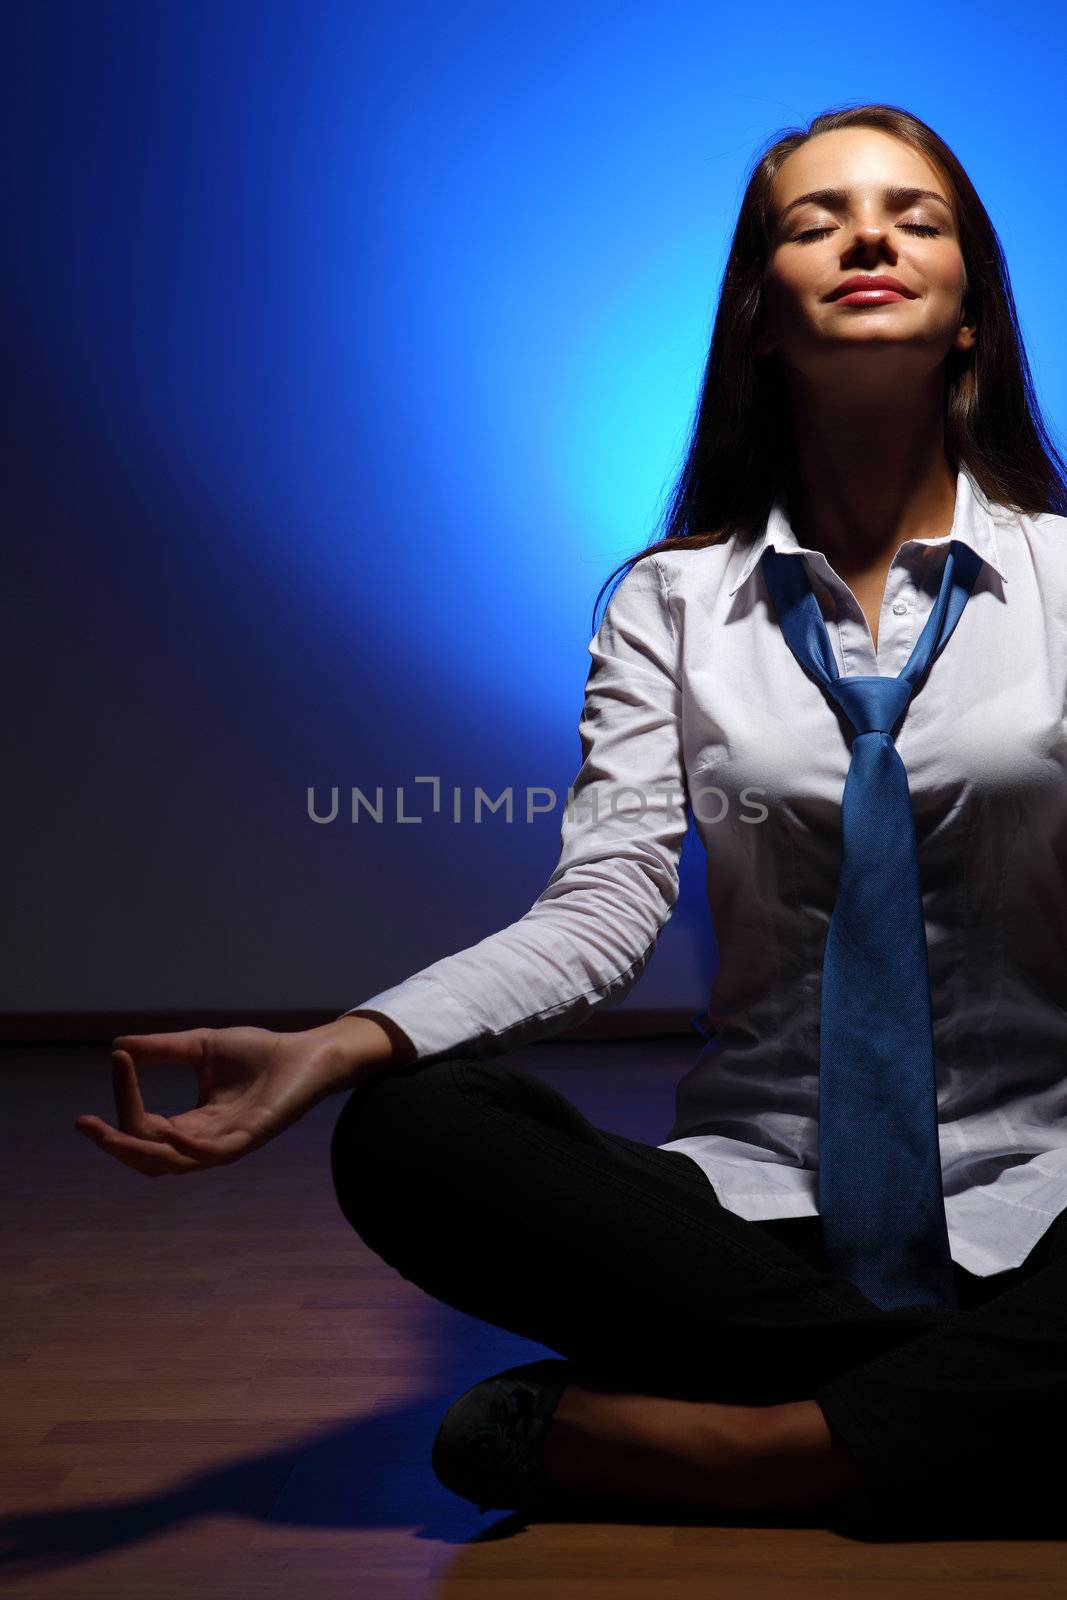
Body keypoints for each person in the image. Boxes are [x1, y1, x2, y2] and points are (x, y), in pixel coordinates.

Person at [76, 103, 1067, 1539]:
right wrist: (344, 1041)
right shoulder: (667, 603)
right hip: (756, 1218)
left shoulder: (1061, 583)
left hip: (1042, 1193)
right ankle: (959, 1420)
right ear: (759, 317)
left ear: (972, 308)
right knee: (407, 1131)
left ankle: (769, 1451)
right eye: (817, 220)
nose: (869, 236)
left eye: (915, 217)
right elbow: (601, 913)